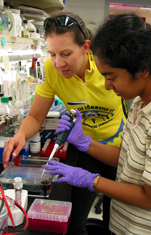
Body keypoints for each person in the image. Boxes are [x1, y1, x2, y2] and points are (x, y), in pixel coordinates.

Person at [45, 13, 151, 235]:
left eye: (112, 77)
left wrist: (91, 180)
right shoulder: (140, 103)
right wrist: (85, 143)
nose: (107, 86)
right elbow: (126, 157)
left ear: (142, 69)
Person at [2, 12, 127, 235]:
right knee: (75, 222)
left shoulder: (106, 67)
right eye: (52, 54)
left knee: (115, 223)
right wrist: (20, 136)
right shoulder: (52, 71)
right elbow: (35, 117)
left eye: (66, 54)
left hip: (119, 149)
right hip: (86, 149)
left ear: (86, 47)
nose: (59, 63)